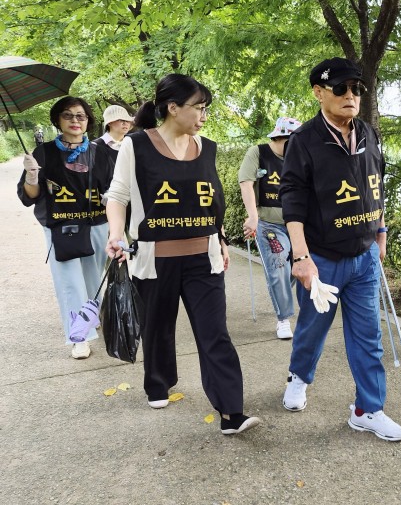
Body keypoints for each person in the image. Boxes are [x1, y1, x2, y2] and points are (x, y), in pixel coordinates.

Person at [103, 73, 260, 435]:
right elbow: (118, 195)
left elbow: (212, 201)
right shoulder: (135, 146)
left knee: (215, 333)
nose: (203, 115)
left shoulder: (208, 147)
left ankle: (231, 411)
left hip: (204, 258)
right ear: (173, 108)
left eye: (206, 108)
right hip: (154, 259)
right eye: (198, 107)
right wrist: (116, 234)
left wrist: (221, 239)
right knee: (157, 327)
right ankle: (158, 383)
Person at [278, 57, 401, 442]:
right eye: (341, 88)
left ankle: (368, 409)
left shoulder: (368, 133)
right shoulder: (304, 141)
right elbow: (293, 201)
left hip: (364, 257)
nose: (350, 95)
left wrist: (380, 233)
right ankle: (299, 376)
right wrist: (301, 257)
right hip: (322, 259)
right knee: (312, 328)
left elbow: (376, 184)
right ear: (319, 92)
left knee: (369, 337)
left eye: (356, 89)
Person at [17, 97, 113, 359]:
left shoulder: (101, 152)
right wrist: (32, 176)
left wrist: (111, 201)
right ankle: (79, 336)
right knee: (70, 282)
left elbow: (114, 187)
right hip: (61, 226)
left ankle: (90, 319)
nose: (75, 121)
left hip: (96, 224)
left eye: (80, 116)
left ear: (88, 121)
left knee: (93, 280)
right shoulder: (43, 153)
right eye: (68, 115)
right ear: (57, 120)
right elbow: (30, 196)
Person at [238, 116, 303, 339]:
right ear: (280, 138)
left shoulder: (300, 158)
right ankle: (283, 318)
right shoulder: (258, 153)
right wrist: (252, 216)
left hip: (298, 224)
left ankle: (279, 290)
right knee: (278, 264)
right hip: (268, 224)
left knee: (296, 267)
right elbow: (246, 184)